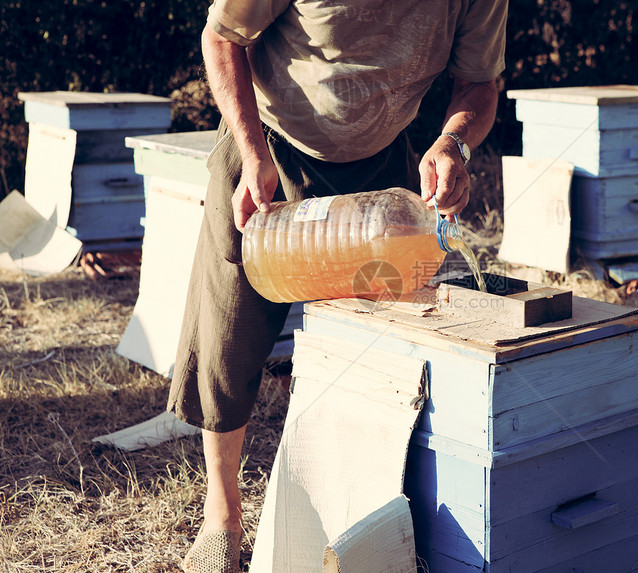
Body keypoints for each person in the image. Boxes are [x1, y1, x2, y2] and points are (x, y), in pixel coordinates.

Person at [169, 1, 506, 571]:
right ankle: (221, 512)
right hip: (268, 150)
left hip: (380, 169)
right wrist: (250, 152)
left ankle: (365, 498)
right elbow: (221, 36)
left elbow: (478, 83)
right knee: (230, 329)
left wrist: (454, 143)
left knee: (382, 347)